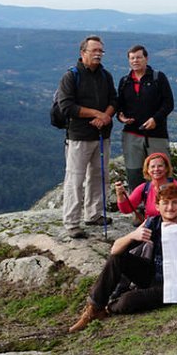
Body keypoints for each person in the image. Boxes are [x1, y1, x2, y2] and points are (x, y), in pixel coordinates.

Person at [69, 183, 177, 332]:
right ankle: (93, 309)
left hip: (175, 284)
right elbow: (115, 250)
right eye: (165, 203)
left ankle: (109, 309)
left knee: (128, 301)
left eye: (175, 202)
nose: (170, 207)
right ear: (157, 206)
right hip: (154, 274)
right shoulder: (153, 223)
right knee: (117, 259)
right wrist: (132, 235)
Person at [56, 35, 117, 238]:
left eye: (101, 51)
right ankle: (72, 222)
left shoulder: (105, 75)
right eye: (94, 51)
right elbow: (66, 106)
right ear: (83, 53)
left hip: (101, 134)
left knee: (99, 175)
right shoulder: (71, 76)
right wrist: (96, 113)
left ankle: (94, 214)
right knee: (75, 178)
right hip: (79, 136)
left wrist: (105, 116)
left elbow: (114, 100)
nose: (99, 54)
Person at [115, 44, 174, 190]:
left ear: (146, 59)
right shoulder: (124, 81)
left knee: (161, 171)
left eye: (139, 57)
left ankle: (164, 206)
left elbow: (168, 103)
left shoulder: (158, 78)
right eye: (132, 58)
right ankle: (138, 207)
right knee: (134, 172)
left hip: (156, 134)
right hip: (132, 134)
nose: (135, 61)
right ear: (129, 61)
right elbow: (119, 105)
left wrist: (156, 119)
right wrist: (120, 117)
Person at [114, 151, 177, 222]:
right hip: (152, 229)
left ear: (166, 168)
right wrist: (120, 195)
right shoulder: (143, 188)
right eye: (153, 167)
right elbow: (127, 209)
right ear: (147, 170)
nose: (156, 169)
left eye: (160, 166)